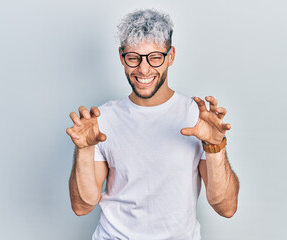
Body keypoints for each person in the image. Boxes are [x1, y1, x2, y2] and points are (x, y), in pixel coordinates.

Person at [66, 9, 239, 240]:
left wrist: (215, 146)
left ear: (171, 56)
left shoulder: (196, 118)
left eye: (155, 57)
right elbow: (82, 206)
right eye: (134, 58)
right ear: (121, 57)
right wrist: (84, 149)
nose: (144, 69)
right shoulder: (102, 121)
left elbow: (226, 207)